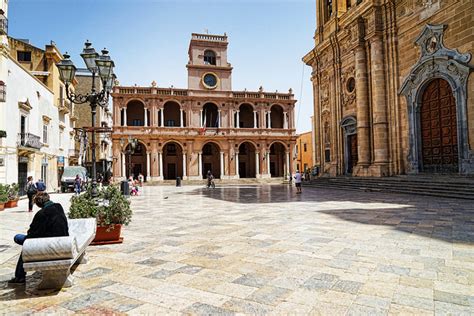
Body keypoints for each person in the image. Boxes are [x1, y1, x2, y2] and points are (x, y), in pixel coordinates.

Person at [8, 192, 69, 284]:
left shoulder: (41, 214)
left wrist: (30, 233)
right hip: (63, 241)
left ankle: (20, 277)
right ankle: (19, 276)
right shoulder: (58, 206)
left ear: (38, 203)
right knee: (26, 243)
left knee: (19, 240)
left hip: (48, 243)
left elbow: (32, 234)